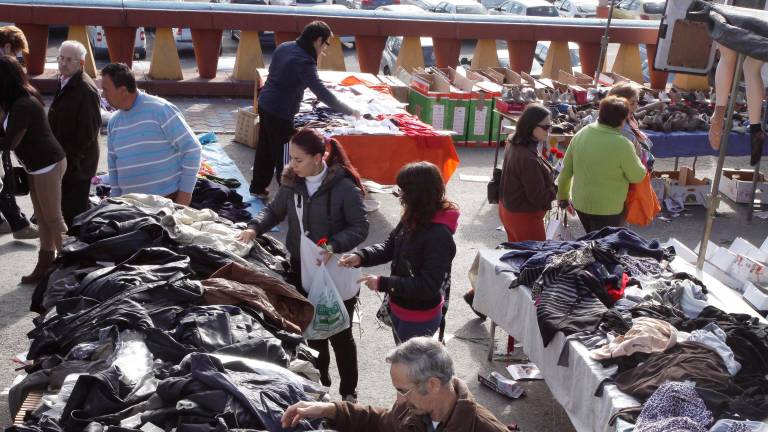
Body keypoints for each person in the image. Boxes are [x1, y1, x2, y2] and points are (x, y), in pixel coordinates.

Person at [237, 127, 368, 402]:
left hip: (337, 269)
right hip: (301, 267)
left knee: (340, 334)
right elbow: (274, 210)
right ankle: (320, 383)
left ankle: (349, 393)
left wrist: (333, 245)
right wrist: (254, 228)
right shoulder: (292, 183)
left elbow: (360, 227)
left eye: (298, 159)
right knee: (311, 330)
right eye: (291, 159)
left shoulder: (344, 187)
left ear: (319, 157)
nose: (292, 165)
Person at [339, 162, 459, 344]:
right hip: (400, 307)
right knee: (405, 360)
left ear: (417, 194)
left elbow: (427, 286)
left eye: (403, 190)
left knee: (411, 368)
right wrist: (361, 256)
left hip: (419, 316)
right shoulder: (414, 216)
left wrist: (383, 283)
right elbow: (389, 247)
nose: (399, 194)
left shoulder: (438, 235)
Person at [281, 336, 509, 432]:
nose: (398, 400)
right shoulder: (414, 408)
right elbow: (381, 421)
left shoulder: (484, 428)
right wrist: (329, 409)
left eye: (403, 391)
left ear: (432, 384)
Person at [463, 104, 556, 318]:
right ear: (532, 127)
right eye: (546, 127)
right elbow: (537, 197)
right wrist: (554, 189)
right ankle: (527, 312)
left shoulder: (515, 142)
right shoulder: (528, 157)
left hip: (510, 210)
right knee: (534, 264)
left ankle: (477, 295)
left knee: (515, 261)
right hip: (524, 215)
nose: (549, 131)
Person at [250, 20, 360, 199]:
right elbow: (322, 93)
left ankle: (258, 188)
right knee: (285, 156)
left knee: (266, 147)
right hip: (280, 111)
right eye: (326, 43)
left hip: (265, 103)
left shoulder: (285, 47)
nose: (324, 48)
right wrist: (348, 110)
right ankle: (287, 198)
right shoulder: (304, 60)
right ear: (318, 40)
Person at [0, 55, 68, 283]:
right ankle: (45, 265)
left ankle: (69, 270)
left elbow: (9, 142)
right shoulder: (14, 102)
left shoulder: (23, 104)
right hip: (36, 166)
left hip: (48, 164)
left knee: (53, 219)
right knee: (42, 217)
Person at [101, 63, 201, 205]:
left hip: (166, 202)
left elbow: (192, 149)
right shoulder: (114, 122)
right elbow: (113, 165)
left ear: (123, 91)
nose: (103, 95)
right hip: (130, 205)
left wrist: (184, 198)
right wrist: (116, 201)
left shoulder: (160, 109)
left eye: (106, 90)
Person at [557, 96, 647, 233]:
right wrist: (640, 159)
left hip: (581, 203)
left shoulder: (581, 133)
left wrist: (562, 195)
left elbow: (566, 170)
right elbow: (637, 176)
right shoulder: (623, 144)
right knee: (605, 247)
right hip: (608, 208)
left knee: (591, 241)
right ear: (622, 120)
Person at [48, 41, 101, 227]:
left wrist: (71, 161)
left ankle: (75, 253)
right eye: (61, 58)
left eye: (69, 60)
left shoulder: (85, 89)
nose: (63, 63)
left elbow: (88, 131)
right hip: (63, 160)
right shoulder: (65, 80)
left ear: (81, 63)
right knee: (63, 212)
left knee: (73, 217)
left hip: (77, 165)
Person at [0, 26, 37, 239]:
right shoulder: (4, 68)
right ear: (7, 47)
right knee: (4, 175)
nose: (17, 59)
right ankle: (19, 224)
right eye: (16, 53)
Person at [607, 83, 654, 170]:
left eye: (637, 101)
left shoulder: (626, 119)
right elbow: (635, 163)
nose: (636, 106)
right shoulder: (622, 128)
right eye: (632, 103)